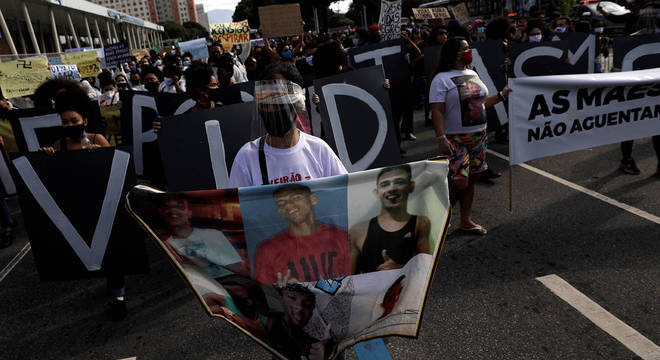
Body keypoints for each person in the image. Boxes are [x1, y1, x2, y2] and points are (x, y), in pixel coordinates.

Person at [429, 38, 511, 235]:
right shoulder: (441, 79)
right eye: (465, 48)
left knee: (472, 179)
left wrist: (501, 95)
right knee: (459, 182)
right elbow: (437, 110)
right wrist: (441, 137)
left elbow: (480, 104)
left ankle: (465, 221)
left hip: (479, 137)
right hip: (455, 139)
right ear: (454, 53)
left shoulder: (472, 73)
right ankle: (439, 216)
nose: (469, 51)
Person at [228, 77, 346, 188]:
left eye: (280, 107)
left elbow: (345, 192)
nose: (273, 115)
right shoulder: (247, 157)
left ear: (296, 109)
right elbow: (237, 207)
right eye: (266, 108)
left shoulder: (318, 149)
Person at [253, 184, 350, 285]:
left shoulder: (341, 237)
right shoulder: (267, 250)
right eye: (281, 203)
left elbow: (355, 283)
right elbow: (266, 295)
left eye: (296, 197)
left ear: (313, 199)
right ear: (279, 211)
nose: (288, 205)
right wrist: (282, 293)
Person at [349, 165, 431, 274]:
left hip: (406, 289)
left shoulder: (420, 223)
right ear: (376, 192)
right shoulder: (357, 231)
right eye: (385, 184)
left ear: (411, 186)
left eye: (399, 182)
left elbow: (426, 269)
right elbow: (350, 280)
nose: (392, 188)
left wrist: (400, 269)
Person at [157, 194, 246, 278]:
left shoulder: (213, 234)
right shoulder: (166, 245)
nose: (173, 210)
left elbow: (237, 266)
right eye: (166, 207)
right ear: (160, 213)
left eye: (180, 207)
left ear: (189, 213)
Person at [268, 283, 330, 360]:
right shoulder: (268, 324)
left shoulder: (312, 344)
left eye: (307, 304)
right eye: (292, 298)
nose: (300, 307)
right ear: (281, 298)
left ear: (312, 310)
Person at [39, 91, 110, 153]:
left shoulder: (97, 139)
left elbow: (113, 161)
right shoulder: (59, 145)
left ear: (85, 121)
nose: (70, 125)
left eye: (74, 121)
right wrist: (47, 154)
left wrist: (101, 152)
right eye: (65, 122)